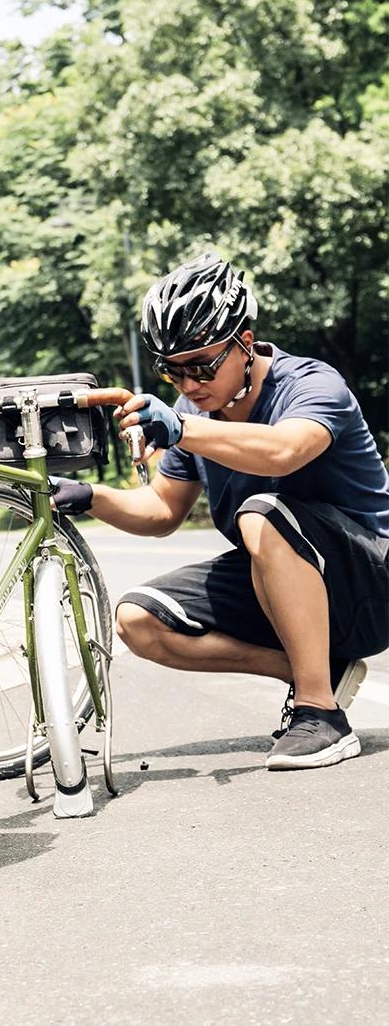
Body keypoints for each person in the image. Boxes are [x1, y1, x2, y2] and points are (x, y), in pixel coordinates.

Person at [50, 252, 389, 770]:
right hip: (281, 587)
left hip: (369, 584)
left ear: (245, 343)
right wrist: (90, 495)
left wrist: (183, 429)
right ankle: (315, 672)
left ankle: (321, 715)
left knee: (262, 514)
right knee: (138, 621)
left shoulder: (312, 384)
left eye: (201, 366)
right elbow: (163, 509)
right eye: (172, 371)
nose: (188, 385)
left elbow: (284, 451)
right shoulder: (195, 412)